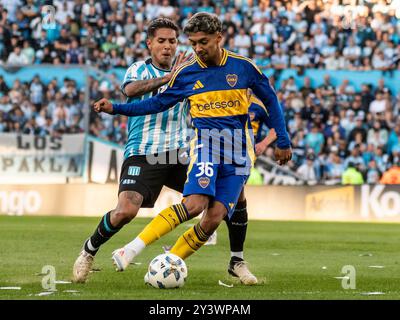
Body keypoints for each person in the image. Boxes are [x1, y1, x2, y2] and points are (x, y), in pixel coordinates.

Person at [93, 12, 292, 283]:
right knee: (194, 204)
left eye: (203, 42)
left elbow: (271, 100)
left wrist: (283, 140)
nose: (197, 48)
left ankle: (171, 262)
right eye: (193, 43)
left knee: (215, 217)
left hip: (237, 151)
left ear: (218, 38)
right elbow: (157, 103)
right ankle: (132, 248)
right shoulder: (187, 73)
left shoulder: (243, 67)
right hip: (206, 145)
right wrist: (116, 109)